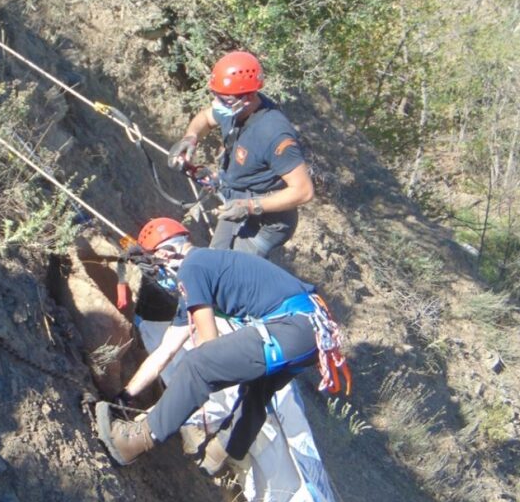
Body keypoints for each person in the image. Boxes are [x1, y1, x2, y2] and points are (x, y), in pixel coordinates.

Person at [97, 217, 340, 474]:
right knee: (256, 392)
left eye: (156, 265)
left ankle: (134, 441)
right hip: (310, 331)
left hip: (295, 326)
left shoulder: (192, 267)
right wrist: (126, 395)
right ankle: (219, 454)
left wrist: (155, 413)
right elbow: (165, 351)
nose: (158, 275)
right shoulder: (201, 272)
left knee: (200, 363)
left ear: (168, 253)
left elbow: (208, 344)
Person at [168, 51, 314, 258]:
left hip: (268, 220)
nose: (218, 104)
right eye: (216, 97)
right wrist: (190, 138)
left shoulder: (274, 133)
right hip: (238, 199)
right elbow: (206, 118)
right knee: (215, 258)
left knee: (228, 270)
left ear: (249, 96)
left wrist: (250, 207)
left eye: (224, 99)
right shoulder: (232, 107)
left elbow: (303, 191)